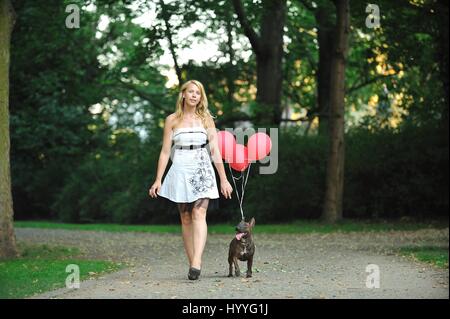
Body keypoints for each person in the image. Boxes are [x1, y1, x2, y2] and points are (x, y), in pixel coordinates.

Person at [148, 80, 233, 280]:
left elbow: (215, 150)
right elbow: (165, 152)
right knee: (185, 217)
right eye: (191, 92)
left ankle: (197, 261)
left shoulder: (206, 119)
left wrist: (223, 179)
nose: (195, 95)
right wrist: (158, 179)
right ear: (183, 94)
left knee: (199, 212)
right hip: (180, 168)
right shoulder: (172, 120)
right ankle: (192, 263)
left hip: (202, 168)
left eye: (198, 93)